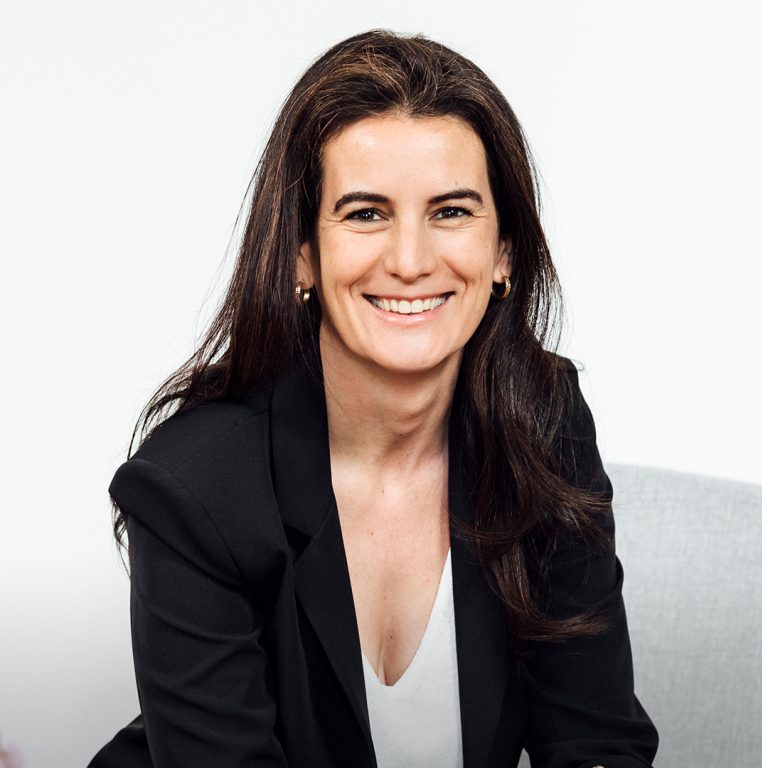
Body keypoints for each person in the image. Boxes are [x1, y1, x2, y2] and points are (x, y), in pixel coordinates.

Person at [89, 30, 658, 768]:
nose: (411, 261)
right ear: (302, 253)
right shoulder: (196, 486)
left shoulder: (542, 422)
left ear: (504, 253)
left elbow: (595, 738)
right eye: (365, 213)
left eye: (451, 212)